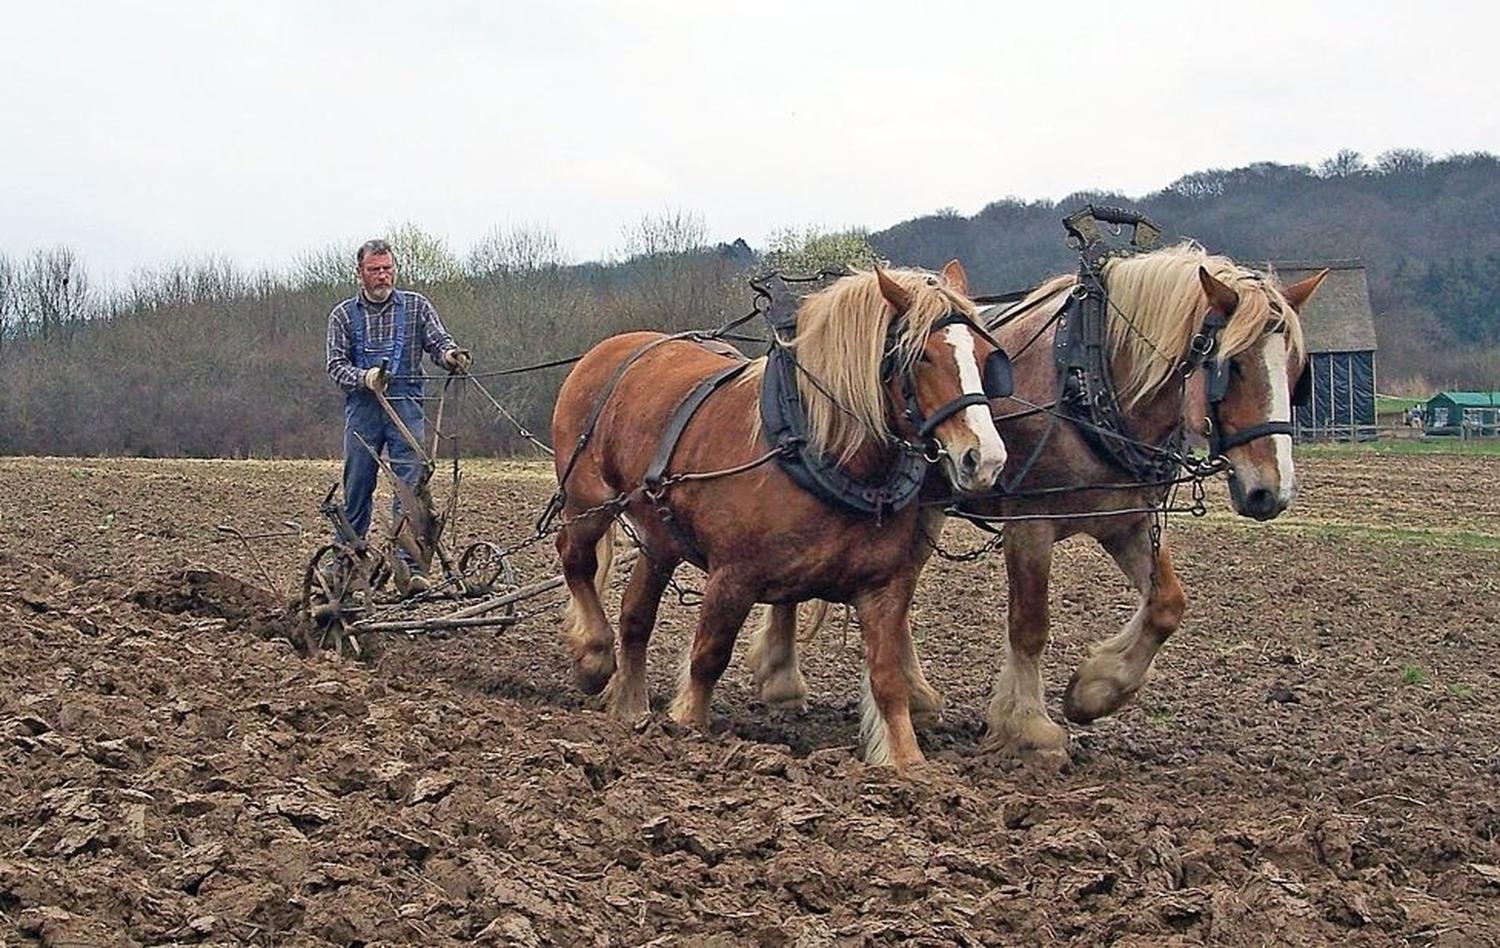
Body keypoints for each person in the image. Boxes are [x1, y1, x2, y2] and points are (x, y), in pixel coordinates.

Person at [326, 239, 471, 589]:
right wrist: (365, 377)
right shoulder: (343, 315)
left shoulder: (416, 307)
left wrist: (451, 355)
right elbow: (335, 366)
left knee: (411, 488)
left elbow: (438, 343)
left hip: (406, 408)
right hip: (364, 411)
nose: (382, 276)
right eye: (374, 270)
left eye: (387, 268)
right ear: (360, 274)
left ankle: (411, 568)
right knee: (358, 486)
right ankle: (347, 562)